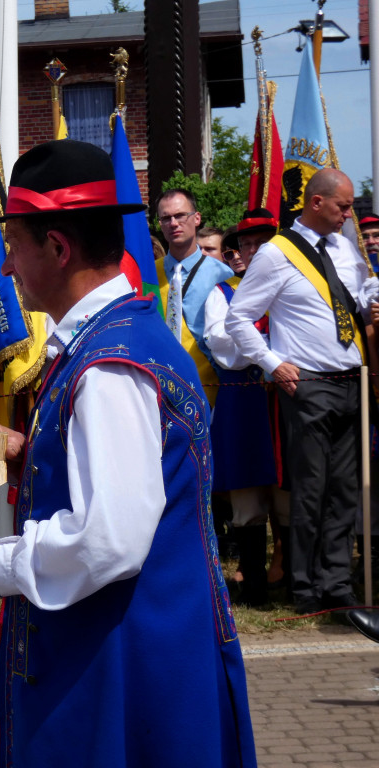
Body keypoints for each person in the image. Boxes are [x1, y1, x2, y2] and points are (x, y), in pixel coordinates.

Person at [0, 139, 256, 767]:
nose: (6, 269)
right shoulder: (123, 334)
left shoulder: (109, 365)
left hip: (122, 661)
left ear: (57, 247)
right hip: (136, 643)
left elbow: (109, 537)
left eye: (15, 248)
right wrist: (35, 458)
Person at [226, 168, 379, 615]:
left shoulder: (344, 247)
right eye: (343, 206)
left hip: (352, 380)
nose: (349, 214)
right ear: (316, 202)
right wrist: (273, 364)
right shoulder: (277, 253)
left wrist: (371, 293)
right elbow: (238, 318)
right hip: (309, 384)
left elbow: (350, 294)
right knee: (311, 490)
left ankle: (337, 584)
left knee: (345, 490)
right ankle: (306, 587)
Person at [203, 209, 282, 605]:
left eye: (261, 243)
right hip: (244, 401)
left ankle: (292, 579)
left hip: (282, 401)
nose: (252, 251)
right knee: (247, 500)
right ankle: (253, 585)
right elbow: (223, 347)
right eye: (246, 245)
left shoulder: (288, 286)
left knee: (290, 492)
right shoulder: (223, 293)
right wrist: (264, 351)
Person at [155, 189, 234, 405]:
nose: (173, 223)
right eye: (166, 218)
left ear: (196, 218)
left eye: (180, 215)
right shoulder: (149, 276)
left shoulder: (224, 276)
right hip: (160, 390)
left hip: (212, 391)